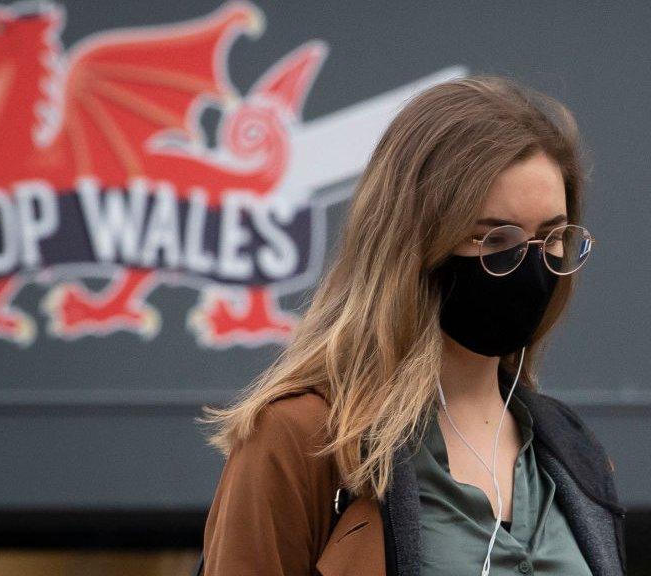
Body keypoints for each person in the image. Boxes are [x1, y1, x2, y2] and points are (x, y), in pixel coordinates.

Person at [195, 75, 626, 576]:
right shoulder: (304, 439)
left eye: (550, 238)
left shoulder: (573, 455)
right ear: (414, 244)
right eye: (493, 238)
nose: (530, 266)